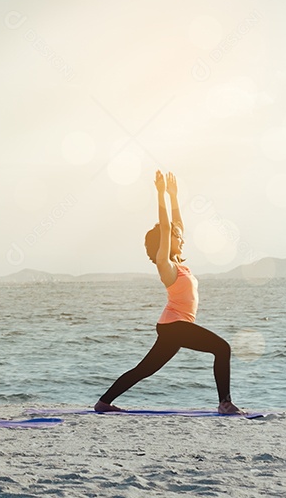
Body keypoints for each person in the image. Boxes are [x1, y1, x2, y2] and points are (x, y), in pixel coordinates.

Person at [95, 171, 243, 415]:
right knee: (222, 348)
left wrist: (174, 196)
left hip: (172, 326)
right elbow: (166, 227)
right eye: (177, 237)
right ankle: (225, 403)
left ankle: (103, 403)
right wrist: (160, 194)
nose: (182, 239)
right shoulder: (166, 266)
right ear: (166, 241)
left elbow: (176, 226)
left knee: (144, 369)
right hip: (175, 326)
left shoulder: (181, 264)